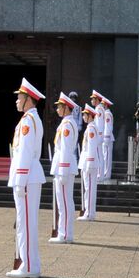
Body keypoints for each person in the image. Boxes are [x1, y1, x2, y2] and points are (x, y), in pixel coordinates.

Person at [6, 78, 45, 278]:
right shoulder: (29, 119)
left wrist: (20, 180)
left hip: (27, 177)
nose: (17, 101)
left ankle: (28, 266)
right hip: (28, 176)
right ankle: (30, 264)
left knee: (26, 223)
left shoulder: (29, 121)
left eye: (19, 97)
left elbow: (25, 153)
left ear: (28, 99)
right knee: (25, 222)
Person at [49, 92, 80, 243]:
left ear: (66, 108)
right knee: (63, 201)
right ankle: (64, 232)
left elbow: (67, 149)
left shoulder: (68, 124)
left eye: (59, 107)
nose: (57, 110)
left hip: (65, 167)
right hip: (64, 166)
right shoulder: (67, 123)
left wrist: (62, 170)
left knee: (65, 202)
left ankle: (65, 234)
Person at [77, 104, 101, 220]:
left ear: (90, 116)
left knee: (90, 189)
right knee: (88, 189)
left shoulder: (91, 128)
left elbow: (91, 147)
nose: (83, 117)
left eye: (84, 115)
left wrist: (89, 163)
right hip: (88, 162)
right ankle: (89, 211)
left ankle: (89, 213)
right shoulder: (91, 127)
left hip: (90, 162)